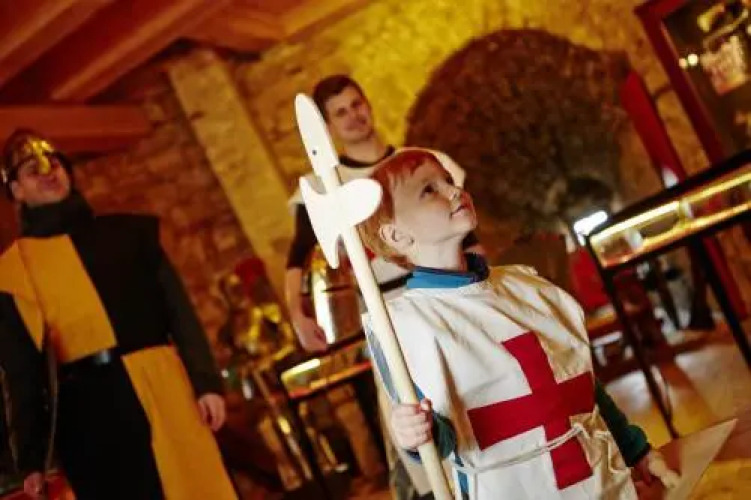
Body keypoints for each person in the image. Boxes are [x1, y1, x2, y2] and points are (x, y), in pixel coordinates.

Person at [359, 149, 671, 499]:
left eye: (447, 179)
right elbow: (444, 439)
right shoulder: (403, 327)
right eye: (428, 190)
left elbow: (579, 385)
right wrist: (415, 433)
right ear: (396, 236)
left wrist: (635, 450)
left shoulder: (527, 287)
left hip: (599, 481)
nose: (454, 190)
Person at [0, 130, 236, 500]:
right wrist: (31, 458)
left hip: (164, 388)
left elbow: (180, 313)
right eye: (33, 170)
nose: (49, 173)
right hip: (90, 416)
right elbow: (21, 370)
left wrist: (206, 383)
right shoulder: (14, 272)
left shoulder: (132, 233)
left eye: (55, 164)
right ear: (15, 190)